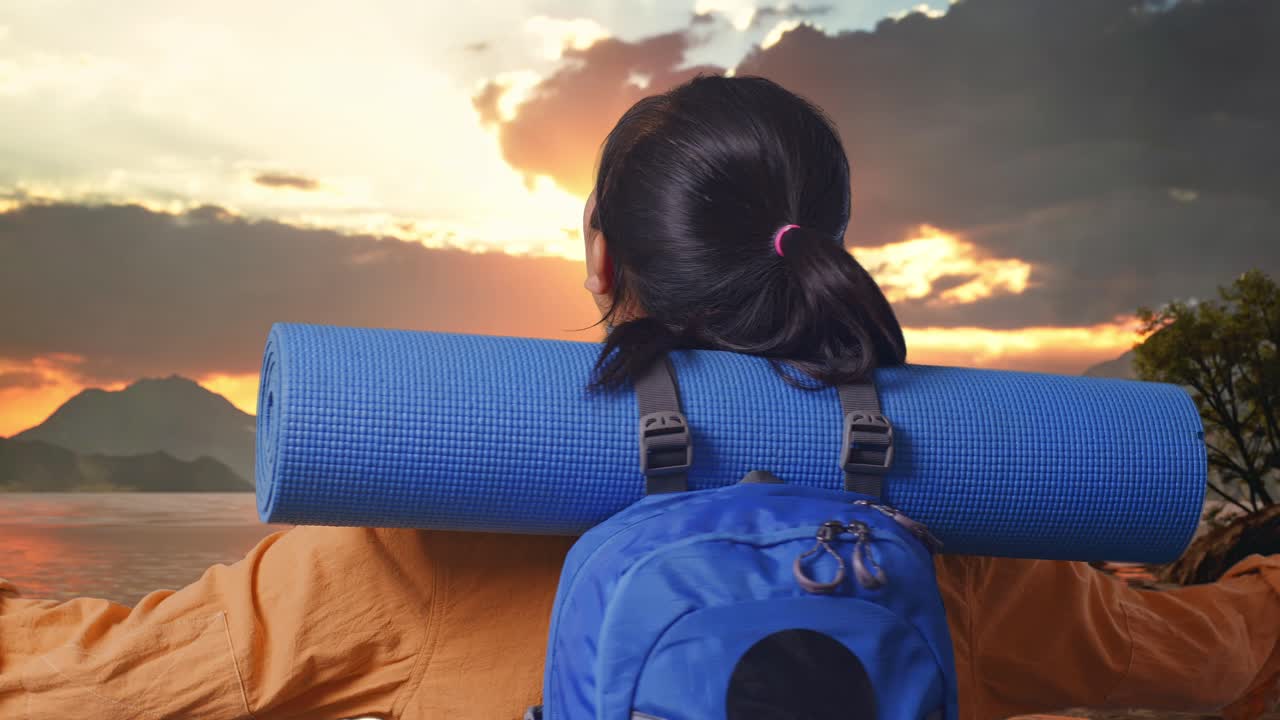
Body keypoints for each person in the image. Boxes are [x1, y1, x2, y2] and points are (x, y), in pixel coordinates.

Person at [1, 75, 1277, 720]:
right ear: (822, 244)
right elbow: (1210, 659)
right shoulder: (961, 532)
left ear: (601, 256)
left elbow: (95, 681)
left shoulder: (412, 546)